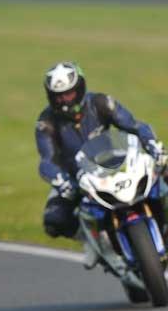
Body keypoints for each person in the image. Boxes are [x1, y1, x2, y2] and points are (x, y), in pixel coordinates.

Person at [35, 61, 166, 265]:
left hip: (115, 166)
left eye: (69, 93)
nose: (64, 100)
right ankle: (91, 242)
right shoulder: (46, 122)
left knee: (163, 172)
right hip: (76, 179)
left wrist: (153, 146)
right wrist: (62, 181)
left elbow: (135, 126)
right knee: (54, 220)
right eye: (58, 96)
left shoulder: (101, 103)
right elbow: (47, 160)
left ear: (79, 89)